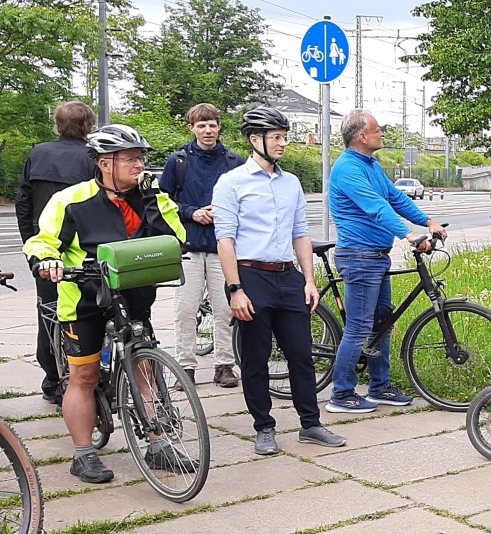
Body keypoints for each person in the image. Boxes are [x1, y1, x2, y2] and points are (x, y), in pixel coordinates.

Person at [23, 124, 196, 483]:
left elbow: (177, 238)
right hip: (84, 299)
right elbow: (42, 241)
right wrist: (47, 262)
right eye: (131, 159)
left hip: (134, 296)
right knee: (83, 375)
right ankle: (84, 453)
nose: (140, 165)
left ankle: (158, 442)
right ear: (105, 163)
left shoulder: (153, 197)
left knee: (145, 369)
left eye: (141, 159)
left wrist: (148, 201)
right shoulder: (71, 200)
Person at [212, 106, 347, 455]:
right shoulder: (231, 183)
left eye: (285, 137)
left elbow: (300, 233)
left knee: (301, 355)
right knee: (255, 359)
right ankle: (264, 427)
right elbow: (224, 239)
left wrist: (309, 280)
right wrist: (235, 288)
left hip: (288, 276)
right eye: (276, 137)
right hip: (251, 276)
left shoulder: (291, 183)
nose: (283, 143)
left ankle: (311, 424)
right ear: (255, 140)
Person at [326, 110, 445, 413]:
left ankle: (379, 387)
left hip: (377, 257)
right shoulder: (347, 169)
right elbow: (375, 207)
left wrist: (428, 221)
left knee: (383, 324)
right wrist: (409, 236)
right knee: (359, 328)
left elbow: (395, 199)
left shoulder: (372, 164)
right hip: (359, 257)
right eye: (377, 130)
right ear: (362, 137)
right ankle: (341, 395)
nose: (382, 134)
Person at [15, 101, 97, 405]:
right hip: (82, 247)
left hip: (45, 246)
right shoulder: (92, 157)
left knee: (48, 311)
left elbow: (23, 200)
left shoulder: (38, 154)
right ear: (89, 125)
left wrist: (32, 244)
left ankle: (52, 379)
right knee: (85, 312)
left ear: (57, 125)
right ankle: (87, 374)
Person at [159, 103, 245, 388]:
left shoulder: (234, 162)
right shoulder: (179, 161)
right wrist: (190, 212)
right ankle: (186, 367)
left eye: (212, 124)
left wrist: (224, 212)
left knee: (226, 309)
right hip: (189, 246)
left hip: (224, 247)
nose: (207, 130)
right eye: (201, 125)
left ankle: (224, 365)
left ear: (220, 127)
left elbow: (246, 200)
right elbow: (162, 200)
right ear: (191, 128)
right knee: (185, 309)